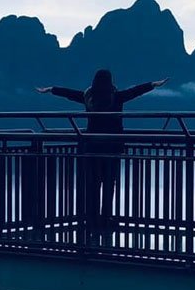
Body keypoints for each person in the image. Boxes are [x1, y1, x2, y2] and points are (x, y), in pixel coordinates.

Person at [37, 70, 169, 243]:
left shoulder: (88, 97)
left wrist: (51, 89)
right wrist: (153, 84)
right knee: (109, 185)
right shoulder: (116, 97)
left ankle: (92, 219)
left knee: (92, 185)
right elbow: (135, 91)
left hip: (91, 147)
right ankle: (106, 219)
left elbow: (70, 94)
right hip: (112, 148)